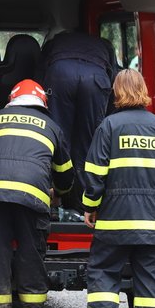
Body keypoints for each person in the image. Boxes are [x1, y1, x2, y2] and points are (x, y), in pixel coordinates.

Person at [79, 69, 155, 308]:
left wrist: (90, 206)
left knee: (103, 273)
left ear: (117, 92)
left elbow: (95, 174)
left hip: (114, 219)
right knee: (149, 277)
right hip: (153, 221)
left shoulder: (109, 126)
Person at [0, 80, 73, 308]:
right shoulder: (52, 126)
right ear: (42, 102)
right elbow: (65, 174)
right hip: (32, 200)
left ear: (12, 99)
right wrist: (61, 194)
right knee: (31, 259)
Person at [43, 29, 116, 212]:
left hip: (60, 75)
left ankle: (53, 203)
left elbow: (40, 71)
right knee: (89, 142)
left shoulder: (56, 40)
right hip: (95, 78)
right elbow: (114, 76)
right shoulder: (104, 44)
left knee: (58, 138)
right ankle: (83, 205)